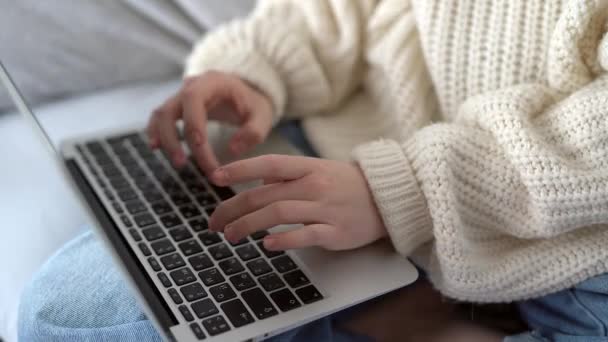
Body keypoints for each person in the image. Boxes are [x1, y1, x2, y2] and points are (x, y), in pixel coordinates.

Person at [18, 0, 608, 341]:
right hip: (347, 149)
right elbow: (332, 11)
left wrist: (403, 192)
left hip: (568, 221)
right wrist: (255, 71)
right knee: (67, 321)